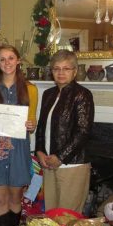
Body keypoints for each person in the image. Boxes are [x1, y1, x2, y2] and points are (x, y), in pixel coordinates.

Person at [0, 44, 38, 226]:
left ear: (18, 60)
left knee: (15, 198)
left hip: (19, 150)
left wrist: (31, 125)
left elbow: (32, 120)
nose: (7, 62)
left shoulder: (31, 89)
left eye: (11, 58)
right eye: (2, 59)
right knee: (1, 199)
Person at [35, 49, 94, 213]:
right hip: (48, 163)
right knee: (51, 215)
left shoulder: (82, 95)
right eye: (56, 68)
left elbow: (83, 131)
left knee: (68, 217)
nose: (61, 73)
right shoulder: (48, 94)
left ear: (74, 71)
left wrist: (60, 157)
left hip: (72, 165)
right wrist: (39, 150)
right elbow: (41, 126)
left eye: (66, 68)